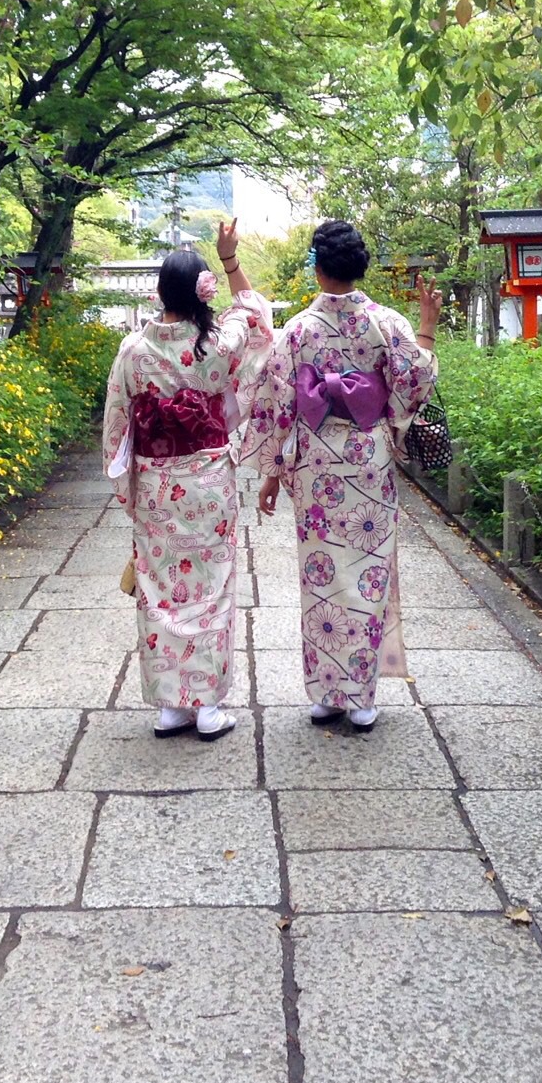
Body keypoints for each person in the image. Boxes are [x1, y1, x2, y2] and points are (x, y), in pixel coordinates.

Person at [241, 219, 441, 731]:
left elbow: (276, 404)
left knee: (322, 575)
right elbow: (413, 377)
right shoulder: (387, 323)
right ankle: (361, 697)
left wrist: (270, 471)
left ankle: (328, 694)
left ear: (318, 267)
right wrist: (428, 324)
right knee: (366, 571)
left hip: (315, 463)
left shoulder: (298, 331)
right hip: (367, 460)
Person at [103, 220, 273, 741]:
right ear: (203, 291)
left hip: (157, 487)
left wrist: (126, 488)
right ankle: (207, 709)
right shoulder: (216, 346)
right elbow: (256, 315)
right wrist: (229, 260)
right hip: (208, 485)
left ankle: (171, 708)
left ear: (159, 294)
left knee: (159, 591)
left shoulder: (133, 350)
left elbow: (117, 425)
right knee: (212, 590)